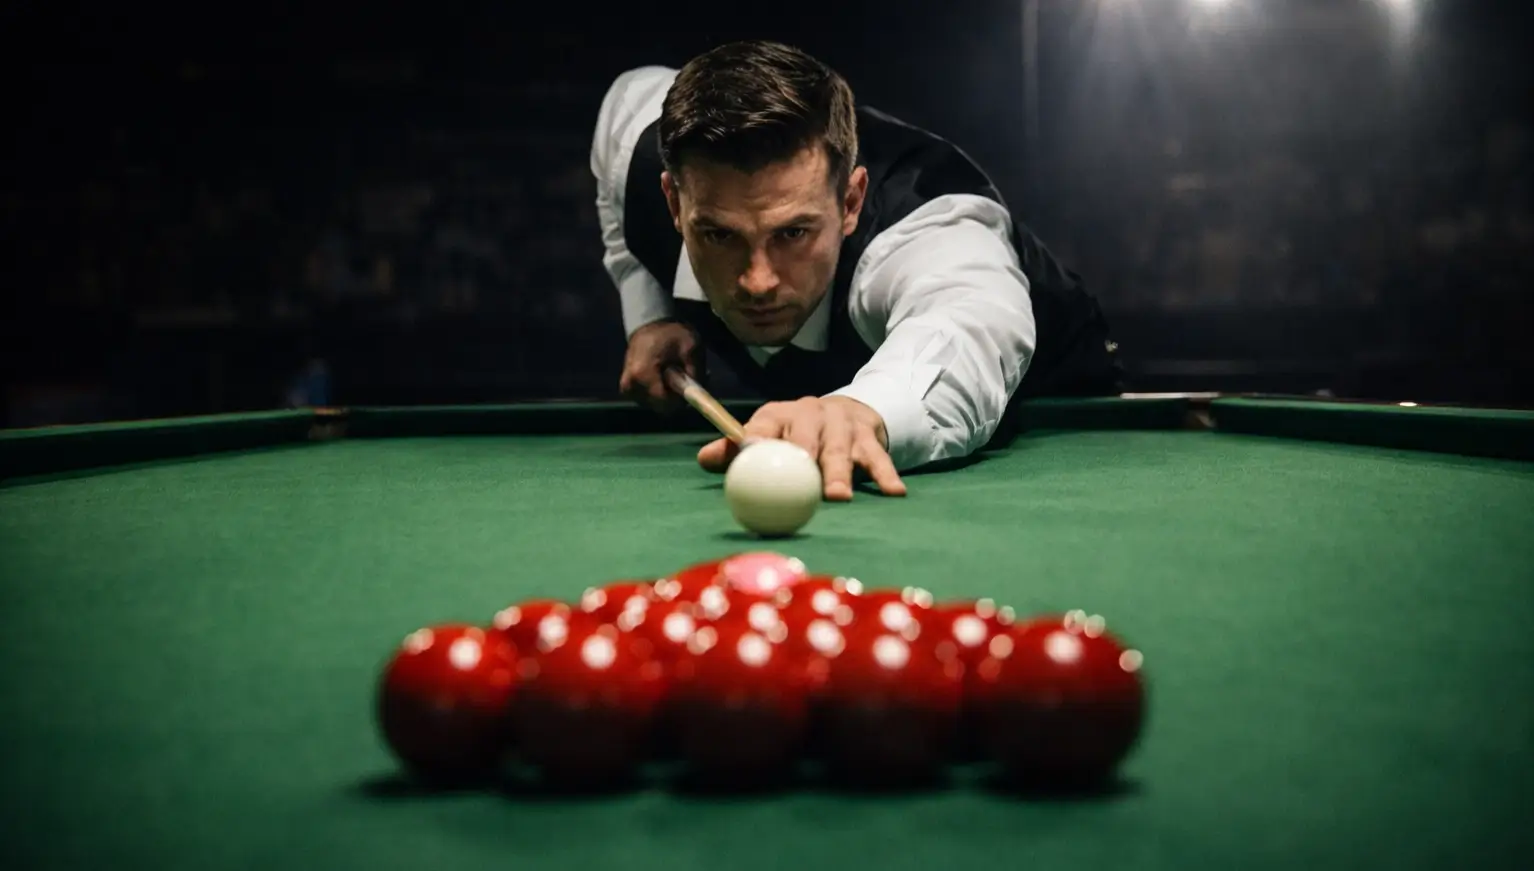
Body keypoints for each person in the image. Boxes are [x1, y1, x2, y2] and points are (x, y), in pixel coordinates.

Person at [590, 40, 1120, 501]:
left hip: (1061, 400)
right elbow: (623, 100)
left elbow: (972, 320)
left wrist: (861, 409)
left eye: (793, 233)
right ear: (674, 203)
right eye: (720, 235)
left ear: (850, 201)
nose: (758, 281)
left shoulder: (925, 225)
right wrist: (650, 317)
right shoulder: (640, 150)